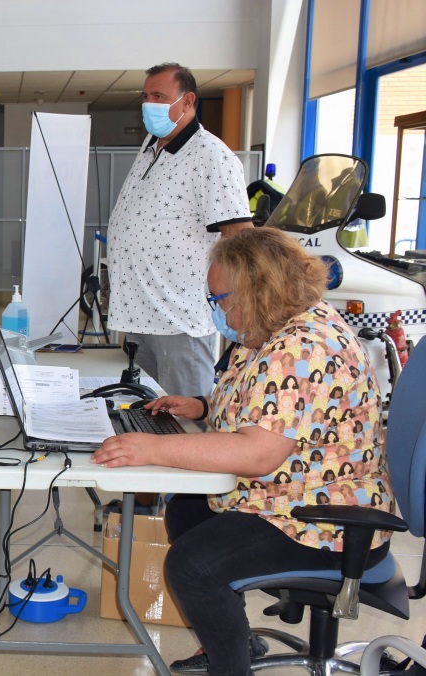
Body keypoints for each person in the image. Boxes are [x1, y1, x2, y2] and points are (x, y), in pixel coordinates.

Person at [91, 228, 391, 675]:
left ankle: (230, 667)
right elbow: (275, 410)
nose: (217, 311)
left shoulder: (302, 347)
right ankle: (232, 640)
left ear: (257, 290)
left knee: (192, 566)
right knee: (188, 512)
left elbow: (257, 455)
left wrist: (156, 446)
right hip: (292, 494)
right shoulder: (273, 330)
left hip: (327, 520)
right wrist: (204, 406)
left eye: (221, 299)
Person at [106, 62, 253, 397]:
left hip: (179, 317)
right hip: (140, 314)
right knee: (150, 414)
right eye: (146, 96)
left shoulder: (211, 156)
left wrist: (240, 302)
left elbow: (240, 235)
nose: (149, 104)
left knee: (184, 418)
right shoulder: (151, 146)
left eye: (159, 96)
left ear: (188, 102)